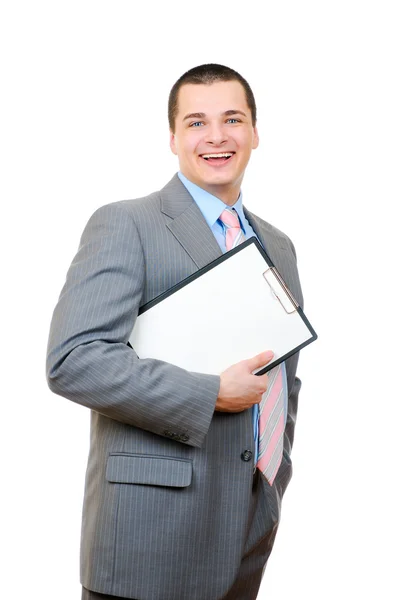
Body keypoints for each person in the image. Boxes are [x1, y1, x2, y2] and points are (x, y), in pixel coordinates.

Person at [46, 63, 303, 600]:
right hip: (152, 531)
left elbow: (282, 376)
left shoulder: (277, 246)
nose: (216, 136)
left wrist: (273, 478)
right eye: (196, 122)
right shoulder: (127, 224)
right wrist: (210, 394)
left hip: (248, 524)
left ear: (255, 132)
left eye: (232, 119)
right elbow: (74, 360)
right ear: (173, 138)